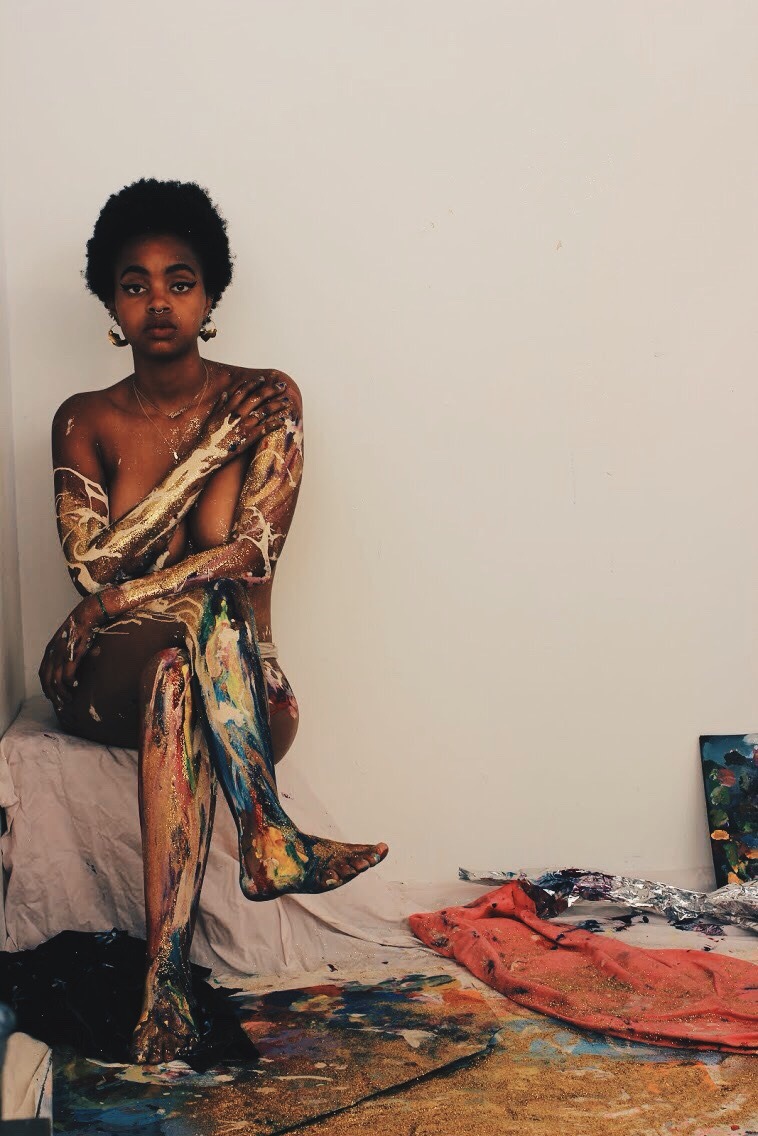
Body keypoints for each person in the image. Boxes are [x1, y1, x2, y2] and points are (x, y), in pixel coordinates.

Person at [38, 179, 388, 1064]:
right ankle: (267, 835)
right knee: (172, 642)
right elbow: (92, 566)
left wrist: (111, 599)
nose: (159, 301)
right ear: (111, 305)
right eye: (135, 284)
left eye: (180, 280)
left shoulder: (267, 398)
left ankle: (165, 983)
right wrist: (206, 459)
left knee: (183, 656)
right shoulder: (84, 418)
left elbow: (251, 555)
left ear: (210, 294)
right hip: (99, 678)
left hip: (237, 680)